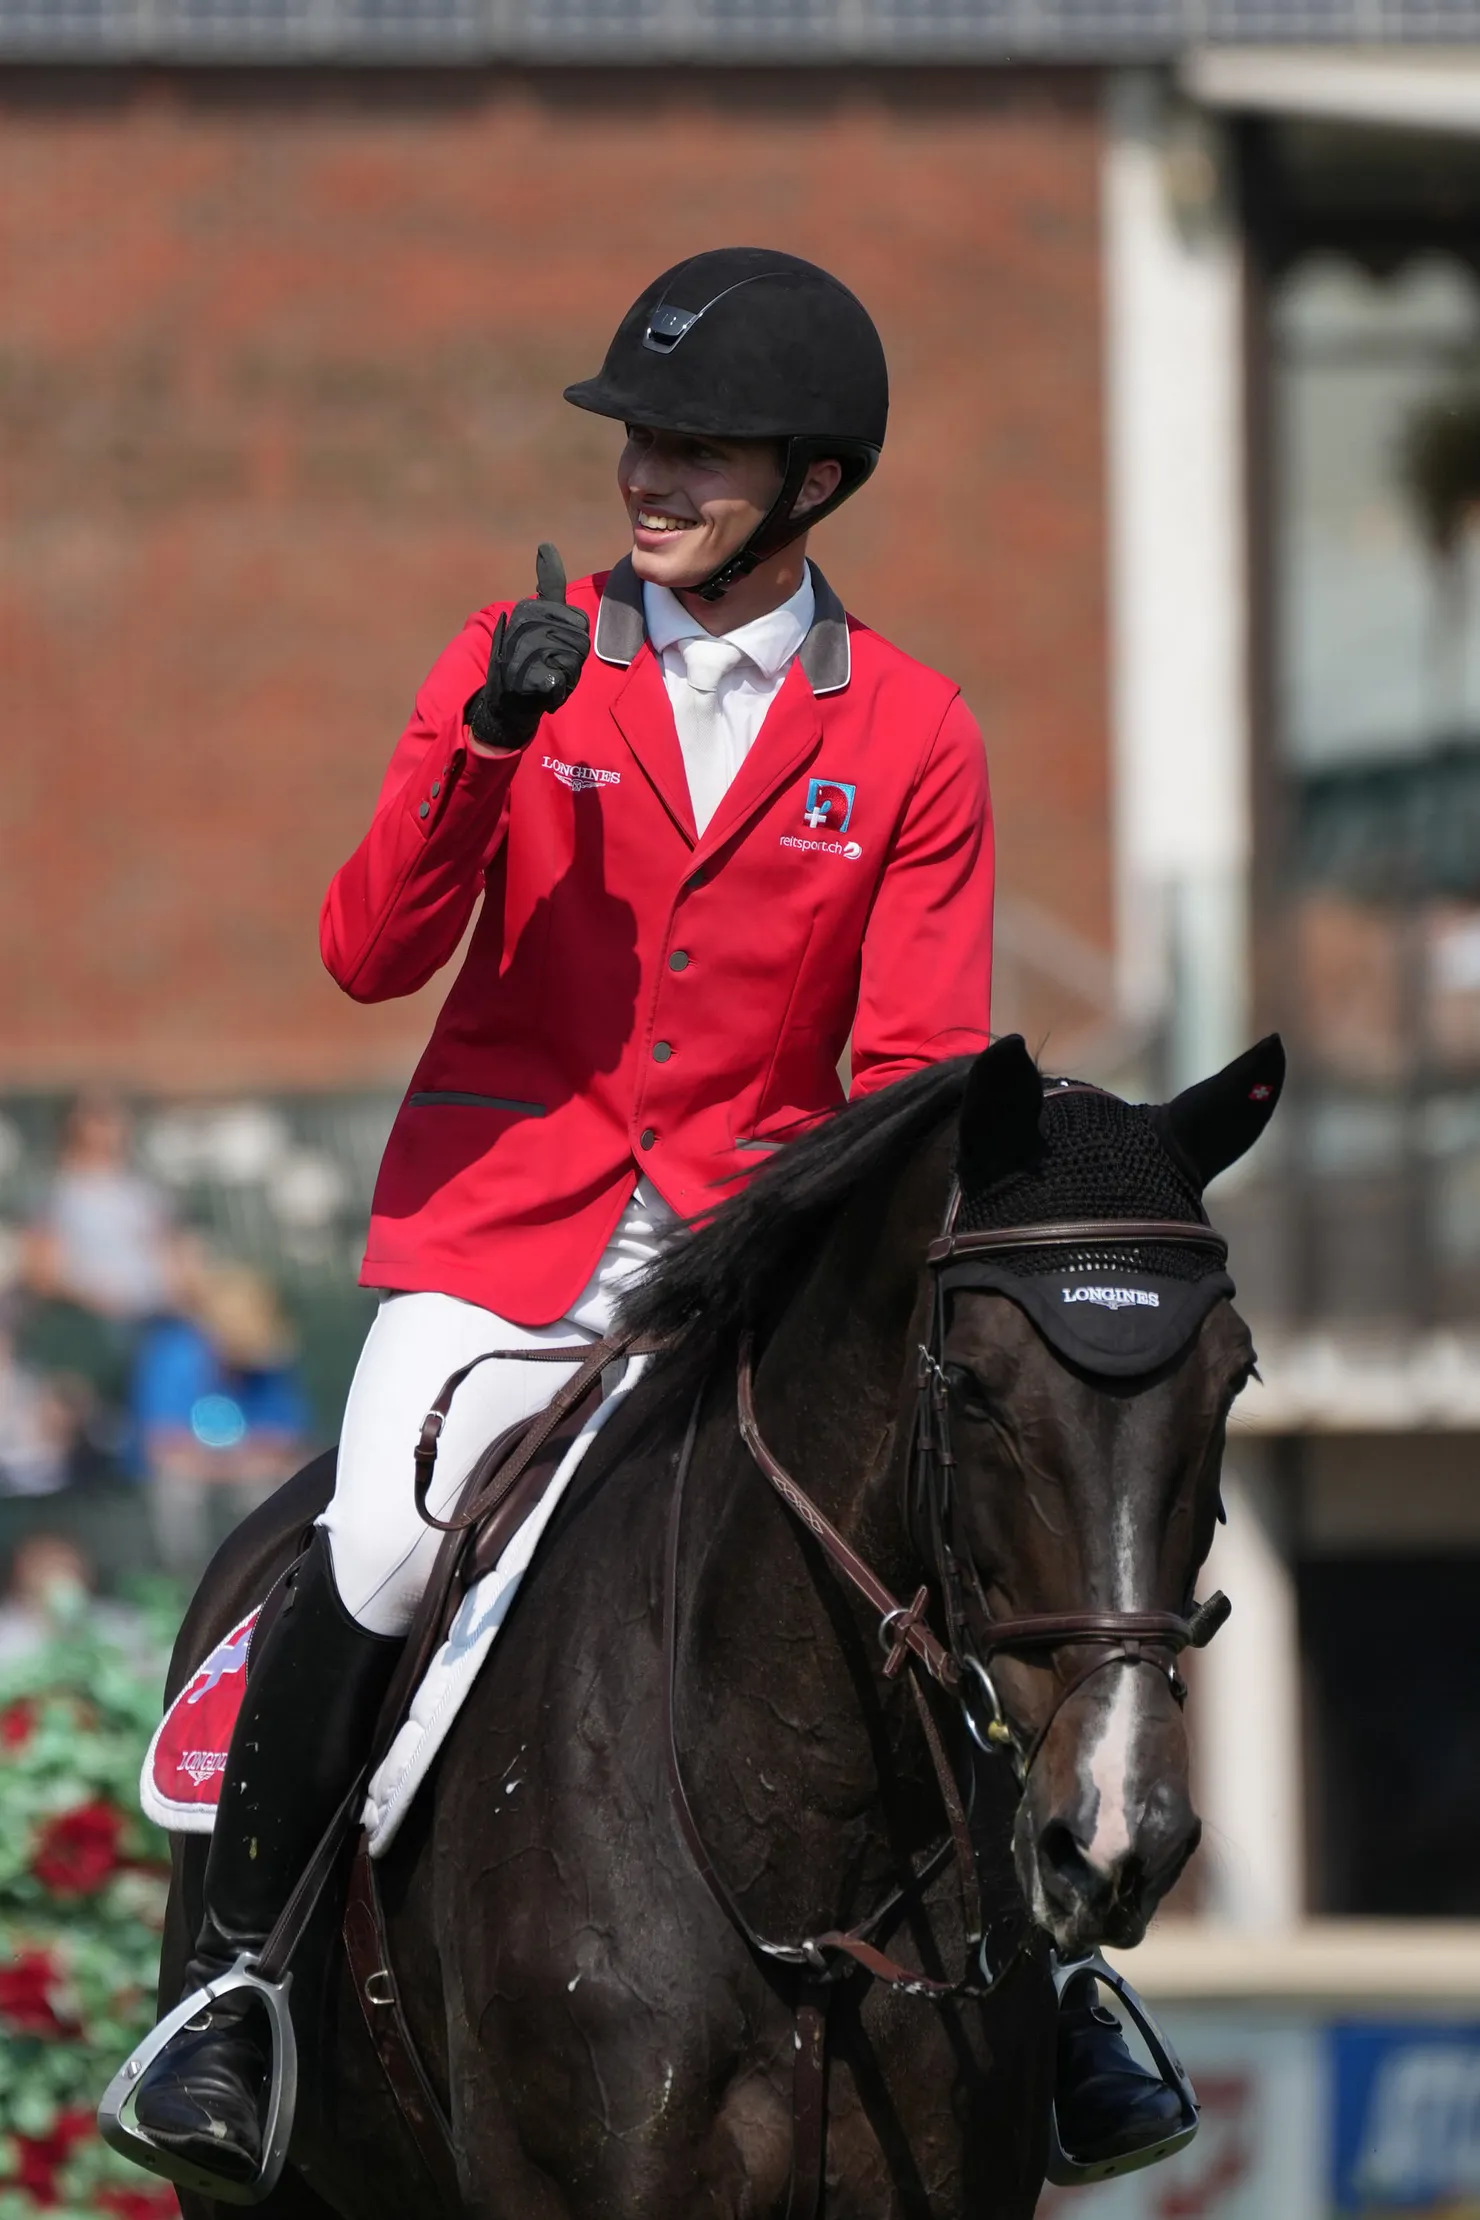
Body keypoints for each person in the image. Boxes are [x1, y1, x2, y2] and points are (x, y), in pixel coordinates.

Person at [129, 246, 1178, 2186]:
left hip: (749, 1268)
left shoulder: (908, 735)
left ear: (810, 482)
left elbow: (919, 1065)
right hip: (500, 1234)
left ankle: (1053, 1988)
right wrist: (482, 747)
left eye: (694, 449)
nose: (646, 477)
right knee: (370, 1551)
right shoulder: (510, 661)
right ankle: (233, 1999)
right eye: (636, 442)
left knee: (940, 1554)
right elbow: (369, 949)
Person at [134, 1262, 312, 1579]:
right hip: (189, 1485)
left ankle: (269, 1581)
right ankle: (187, 1584)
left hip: (245, 1480)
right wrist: (239, 1462)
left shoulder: (268, 1371)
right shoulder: (174, 1357)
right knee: (180, 1490)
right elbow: (164, 1449)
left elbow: (286, 1443)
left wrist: (244, 1461)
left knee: (277, 1485)